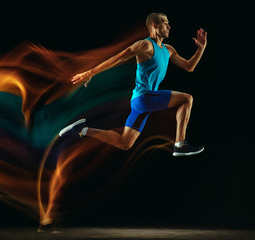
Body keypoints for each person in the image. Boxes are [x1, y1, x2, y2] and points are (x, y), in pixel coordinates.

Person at [60, 13, 207, 156]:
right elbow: (118, 58)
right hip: (144, 98)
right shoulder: (145, 45)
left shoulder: (169, 50)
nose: (169, 26)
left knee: (124, 143)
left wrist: (200, 49)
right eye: (165, 22)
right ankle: (180, 145)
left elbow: (189, 67)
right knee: (187, 99)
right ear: (154, 26)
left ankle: (82, 130)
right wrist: (90, 73)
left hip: (141, 102)